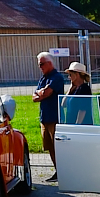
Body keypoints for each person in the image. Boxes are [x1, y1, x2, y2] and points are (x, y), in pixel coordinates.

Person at [32, 52, 68, 181]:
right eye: (39, 64)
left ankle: (64, 172)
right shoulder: (43, 78)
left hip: (55, 118)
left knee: (57, 147)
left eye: (42, 64)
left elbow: (46, 93)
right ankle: (58, 172)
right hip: (45, 118)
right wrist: (40, 92)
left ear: (49, 63)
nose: (40, 67)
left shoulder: (56, 77)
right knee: (49, 147)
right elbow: (34, 97)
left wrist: (41, 93)